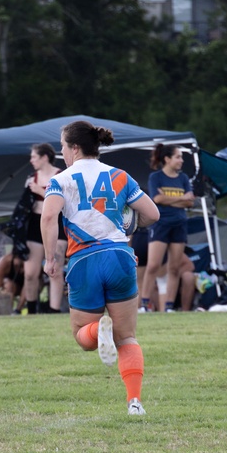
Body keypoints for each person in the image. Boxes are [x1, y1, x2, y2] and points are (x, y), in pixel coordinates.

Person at [40, 120, 160, 416]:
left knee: (83, 334)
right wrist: (127, 228)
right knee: (127, 336)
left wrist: (50, 260)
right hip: (120, 256)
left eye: (63, 147)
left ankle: (98, 329)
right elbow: (152, 214)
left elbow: (48, 217)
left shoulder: (62, 179)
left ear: (75, 148)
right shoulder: (119, 176)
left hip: (84, 259)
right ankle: (135, 402)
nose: (62, 153)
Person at [141, 145, 194, 312]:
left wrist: (169, 199)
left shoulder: (183, 178)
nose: (181, 160)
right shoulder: (156, 177)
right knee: (153, 265)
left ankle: (169, 305)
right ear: (167, 159)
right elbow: (156, 199)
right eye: (178, 157)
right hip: (161, 224)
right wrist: (181, 198)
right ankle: (144, 304)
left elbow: (190, 202)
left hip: (179, 224)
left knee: (174, 267)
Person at [19, 143, 66, 314]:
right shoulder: (31, 178)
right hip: (35, 224)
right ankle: (31, 309)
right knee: (30, 273)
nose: (31, 160)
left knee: (56, 270)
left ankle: (54, 310)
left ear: (45, 157)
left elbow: (64, 201)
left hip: (56, 223)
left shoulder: (60, 176)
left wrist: (40, 190)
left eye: (34, 157)